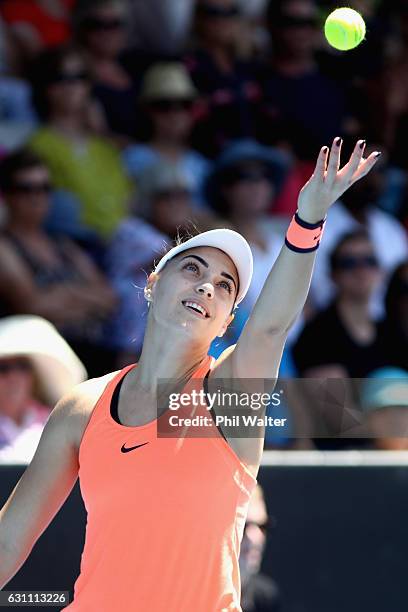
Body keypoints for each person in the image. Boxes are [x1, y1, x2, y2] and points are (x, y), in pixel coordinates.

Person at [0, 137, 381, 610]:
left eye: (225, 286)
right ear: (153, 284)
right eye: (193, 269)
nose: (206, 286)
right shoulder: (81, 406)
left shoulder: (227, 394)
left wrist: (307, 220)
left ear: (225, 322)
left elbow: (269, 329)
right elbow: (9, 542)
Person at [0, 149, 119, 378]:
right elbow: (34, 307)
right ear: (8, 195)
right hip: (42, 370)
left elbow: (109, 297)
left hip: (96, 356)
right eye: (26, 189)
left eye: (44, 188)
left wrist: (64, 294)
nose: (37, 197)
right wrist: (86, 300)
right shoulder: (5, 247)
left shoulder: (63, 245)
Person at [106, 159, 220, 364]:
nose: (176, 204)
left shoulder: (178, 233)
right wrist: (205, 227)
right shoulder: (130, 229)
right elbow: (175, 255)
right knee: (149, 291)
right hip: (121, 324)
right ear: (148, 199)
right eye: (166, 196)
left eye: (183, 196)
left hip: (158, 333)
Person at [28, 45, 132, 239]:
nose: (71, 86)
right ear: (44, 86)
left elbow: (125, 199)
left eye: (79, 77)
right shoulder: (37, 146)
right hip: (74, 242)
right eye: (60, 78)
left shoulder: (105, 146)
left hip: (118, 237)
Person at [123, 62, 211, 209]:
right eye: (164, 105)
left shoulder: (202, 165)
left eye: (184, 105)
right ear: (147, 111)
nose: (174, 115)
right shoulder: (131, 160)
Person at [0, 315, 87, 464]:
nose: (14, 377)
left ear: (34, 376)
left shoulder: (53, 422)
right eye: (4, 368)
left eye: (22, 366)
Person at [73, 0, 139, 139]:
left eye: (114, 25)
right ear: (82, 29)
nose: (106, 33)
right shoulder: (76, 75)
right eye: (97, 25)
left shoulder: (135, 65)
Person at [240, 484, 281, 612]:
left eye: (263, 526)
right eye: (243, 525)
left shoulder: (267, 597)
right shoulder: (191, 591)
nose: (255, 538)